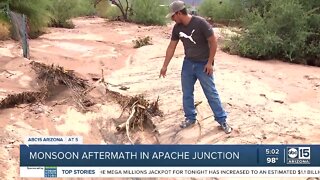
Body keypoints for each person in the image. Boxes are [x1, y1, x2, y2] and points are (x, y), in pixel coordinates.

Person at [159, 0, 232, 134]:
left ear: (179, 13)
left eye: (173, 16)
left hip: (203, 64)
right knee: (187, 92)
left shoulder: (200, 23)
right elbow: (171, 47)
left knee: (211, 93)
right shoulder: (177, 28)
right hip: (188, 63)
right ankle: (190, 118)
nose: (172, 18)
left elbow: (214, 42)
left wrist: (210, 63)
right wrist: (165, 66)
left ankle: (222, 120)